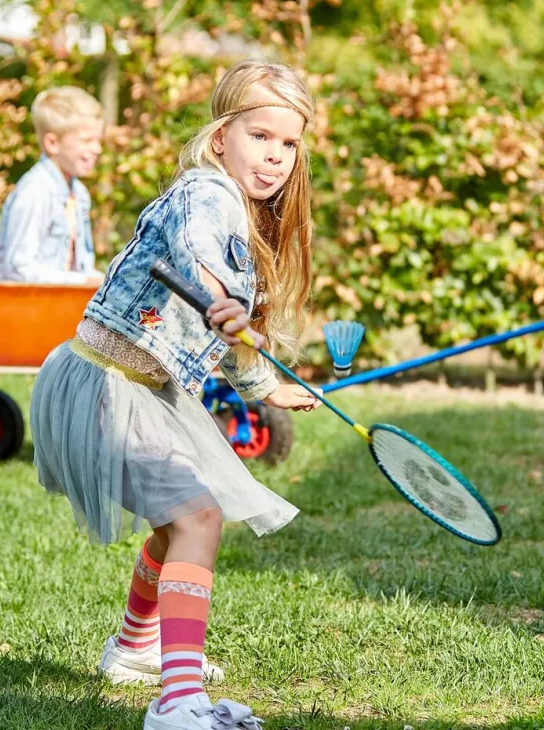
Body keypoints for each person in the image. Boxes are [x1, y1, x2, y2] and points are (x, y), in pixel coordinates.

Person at [29, 61, 322, 730]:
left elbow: (229, 339)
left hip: (142, 388)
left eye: (288, 144)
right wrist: (217, 289)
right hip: (105, 385)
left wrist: (267, 386)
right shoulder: (205, 193)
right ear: (222, 138)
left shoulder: (243, 216)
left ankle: (135, 650)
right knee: (198, 520)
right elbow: (193, 250)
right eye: (260, 136)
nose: (275, 156)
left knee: (182, 519)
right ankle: (179, 704)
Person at [0, 85, 104, 285]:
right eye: (87, 140)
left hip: (57, 305)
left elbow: (79, 267)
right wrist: (82, 281)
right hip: (21, 307)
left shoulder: (79, 193)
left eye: (98, 140)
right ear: (52, 143)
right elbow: (19, 269)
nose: (97, 149)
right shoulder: (36, 191)